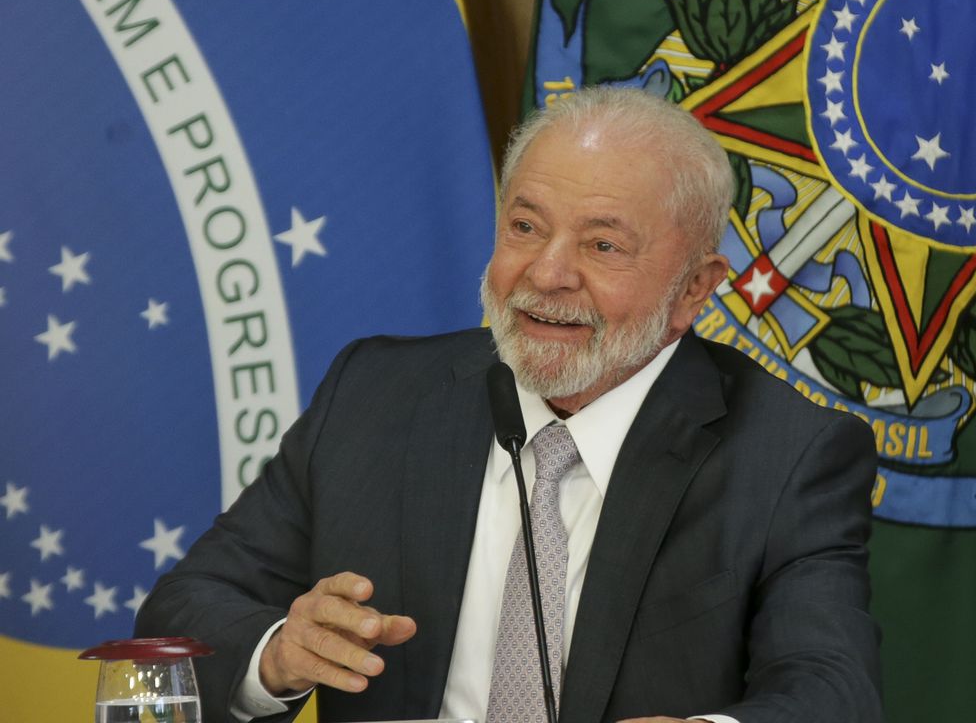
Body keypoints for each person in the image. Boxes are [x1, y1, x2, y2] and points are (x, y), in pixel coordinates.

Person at [136, 86, 883, 723]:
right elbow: (179, 617)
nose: (547, 273)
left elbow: (832, 689)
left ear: (695, 287)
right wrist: (277, 654)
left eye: (602, 247)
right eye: (525, 227)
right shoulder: (376, 393)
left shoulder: (788, 452)